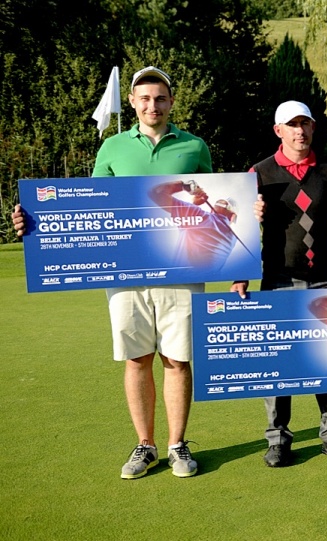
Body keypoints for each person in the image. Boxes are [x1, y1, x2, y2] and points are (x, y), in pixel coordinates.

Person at [12, 66, 211, 479]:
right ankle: (145, 445)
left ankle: (177, 446)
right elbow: (90, 209)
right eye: (144, 98)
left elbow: (213, 203)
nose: (152, 105)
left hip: (181, 268)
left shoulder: (195, 146)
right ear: (133, 103)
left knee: (178, 359)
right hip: (125, 274)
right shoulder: (113, 147)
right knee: (137, 358)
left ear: (171, 102)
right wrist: (33, 221)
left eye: (160, 98)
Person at [232, 101, 327, 466]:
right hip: (277, 279)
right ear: (278, 131)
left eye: (306, 124)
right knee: (278, 365)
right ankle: (278, 440)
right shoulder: (258, 173)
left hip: (322, 280)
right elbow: (241, 228)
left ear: (314, 128)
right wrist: (241, 273)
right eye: (292, 125)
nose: (300, 131)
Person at [148, 179, 239, 270]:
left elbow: (156, 192)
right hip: (205, 281)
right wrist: (194, 206)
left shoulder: (198, 216)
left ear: (212, 210)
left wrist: (186, 186)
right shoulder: (233, 238)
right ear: (233, 217)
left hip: (181, 279)